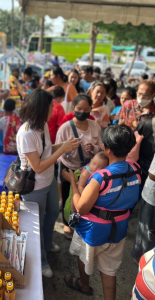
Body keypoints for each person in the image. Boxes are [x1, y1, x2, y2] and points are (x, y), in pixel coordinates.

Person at [62, 125, 140, 299]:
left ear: (107, 149)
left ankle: (84, 285)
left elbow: (81, 207)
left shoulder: (101, 177)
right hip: (119, 228)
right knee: (109, 270)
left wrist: (73, 184)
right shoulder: (136, 169)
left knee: (84, 258)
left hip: (93, 230)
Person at [17, 89, 81, 278]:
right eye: (51, 106)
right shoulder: (26, 133)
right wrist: (62, 151)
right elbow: (37, 166)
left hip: (49, 180)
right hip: (34, 186)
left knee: (53, 213)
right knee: (36, 224)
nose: (54, 109)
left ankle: (46, 244)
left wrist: (63, 145)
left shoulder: (42, 125)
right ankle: (41, 261)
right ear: (41, 108)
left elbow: (46, 150)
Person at [56, 94, 103, 240]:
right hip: (68, 166)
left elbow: (102, 147)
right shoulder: (65, 128)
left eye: (86, 109)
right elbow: (56, 152)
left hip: (88, 169)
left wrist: (94, 148)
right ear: (73, 109)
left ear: (90, 109)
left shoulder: (95, 126)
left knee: (84, 197)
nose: (82, 112)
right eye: (79, 109)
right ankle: (65, 223)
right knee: (67, 196)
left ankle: (81, 222)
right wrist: (67, 150)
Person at [132, 154, 155, 264]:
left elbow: (152, 175)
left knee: (147, 230)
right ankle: (142, 258)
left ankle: (142, 259)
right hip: (151, 196)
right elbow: (152, 175)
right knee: (147, 229)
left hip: (152, 198)